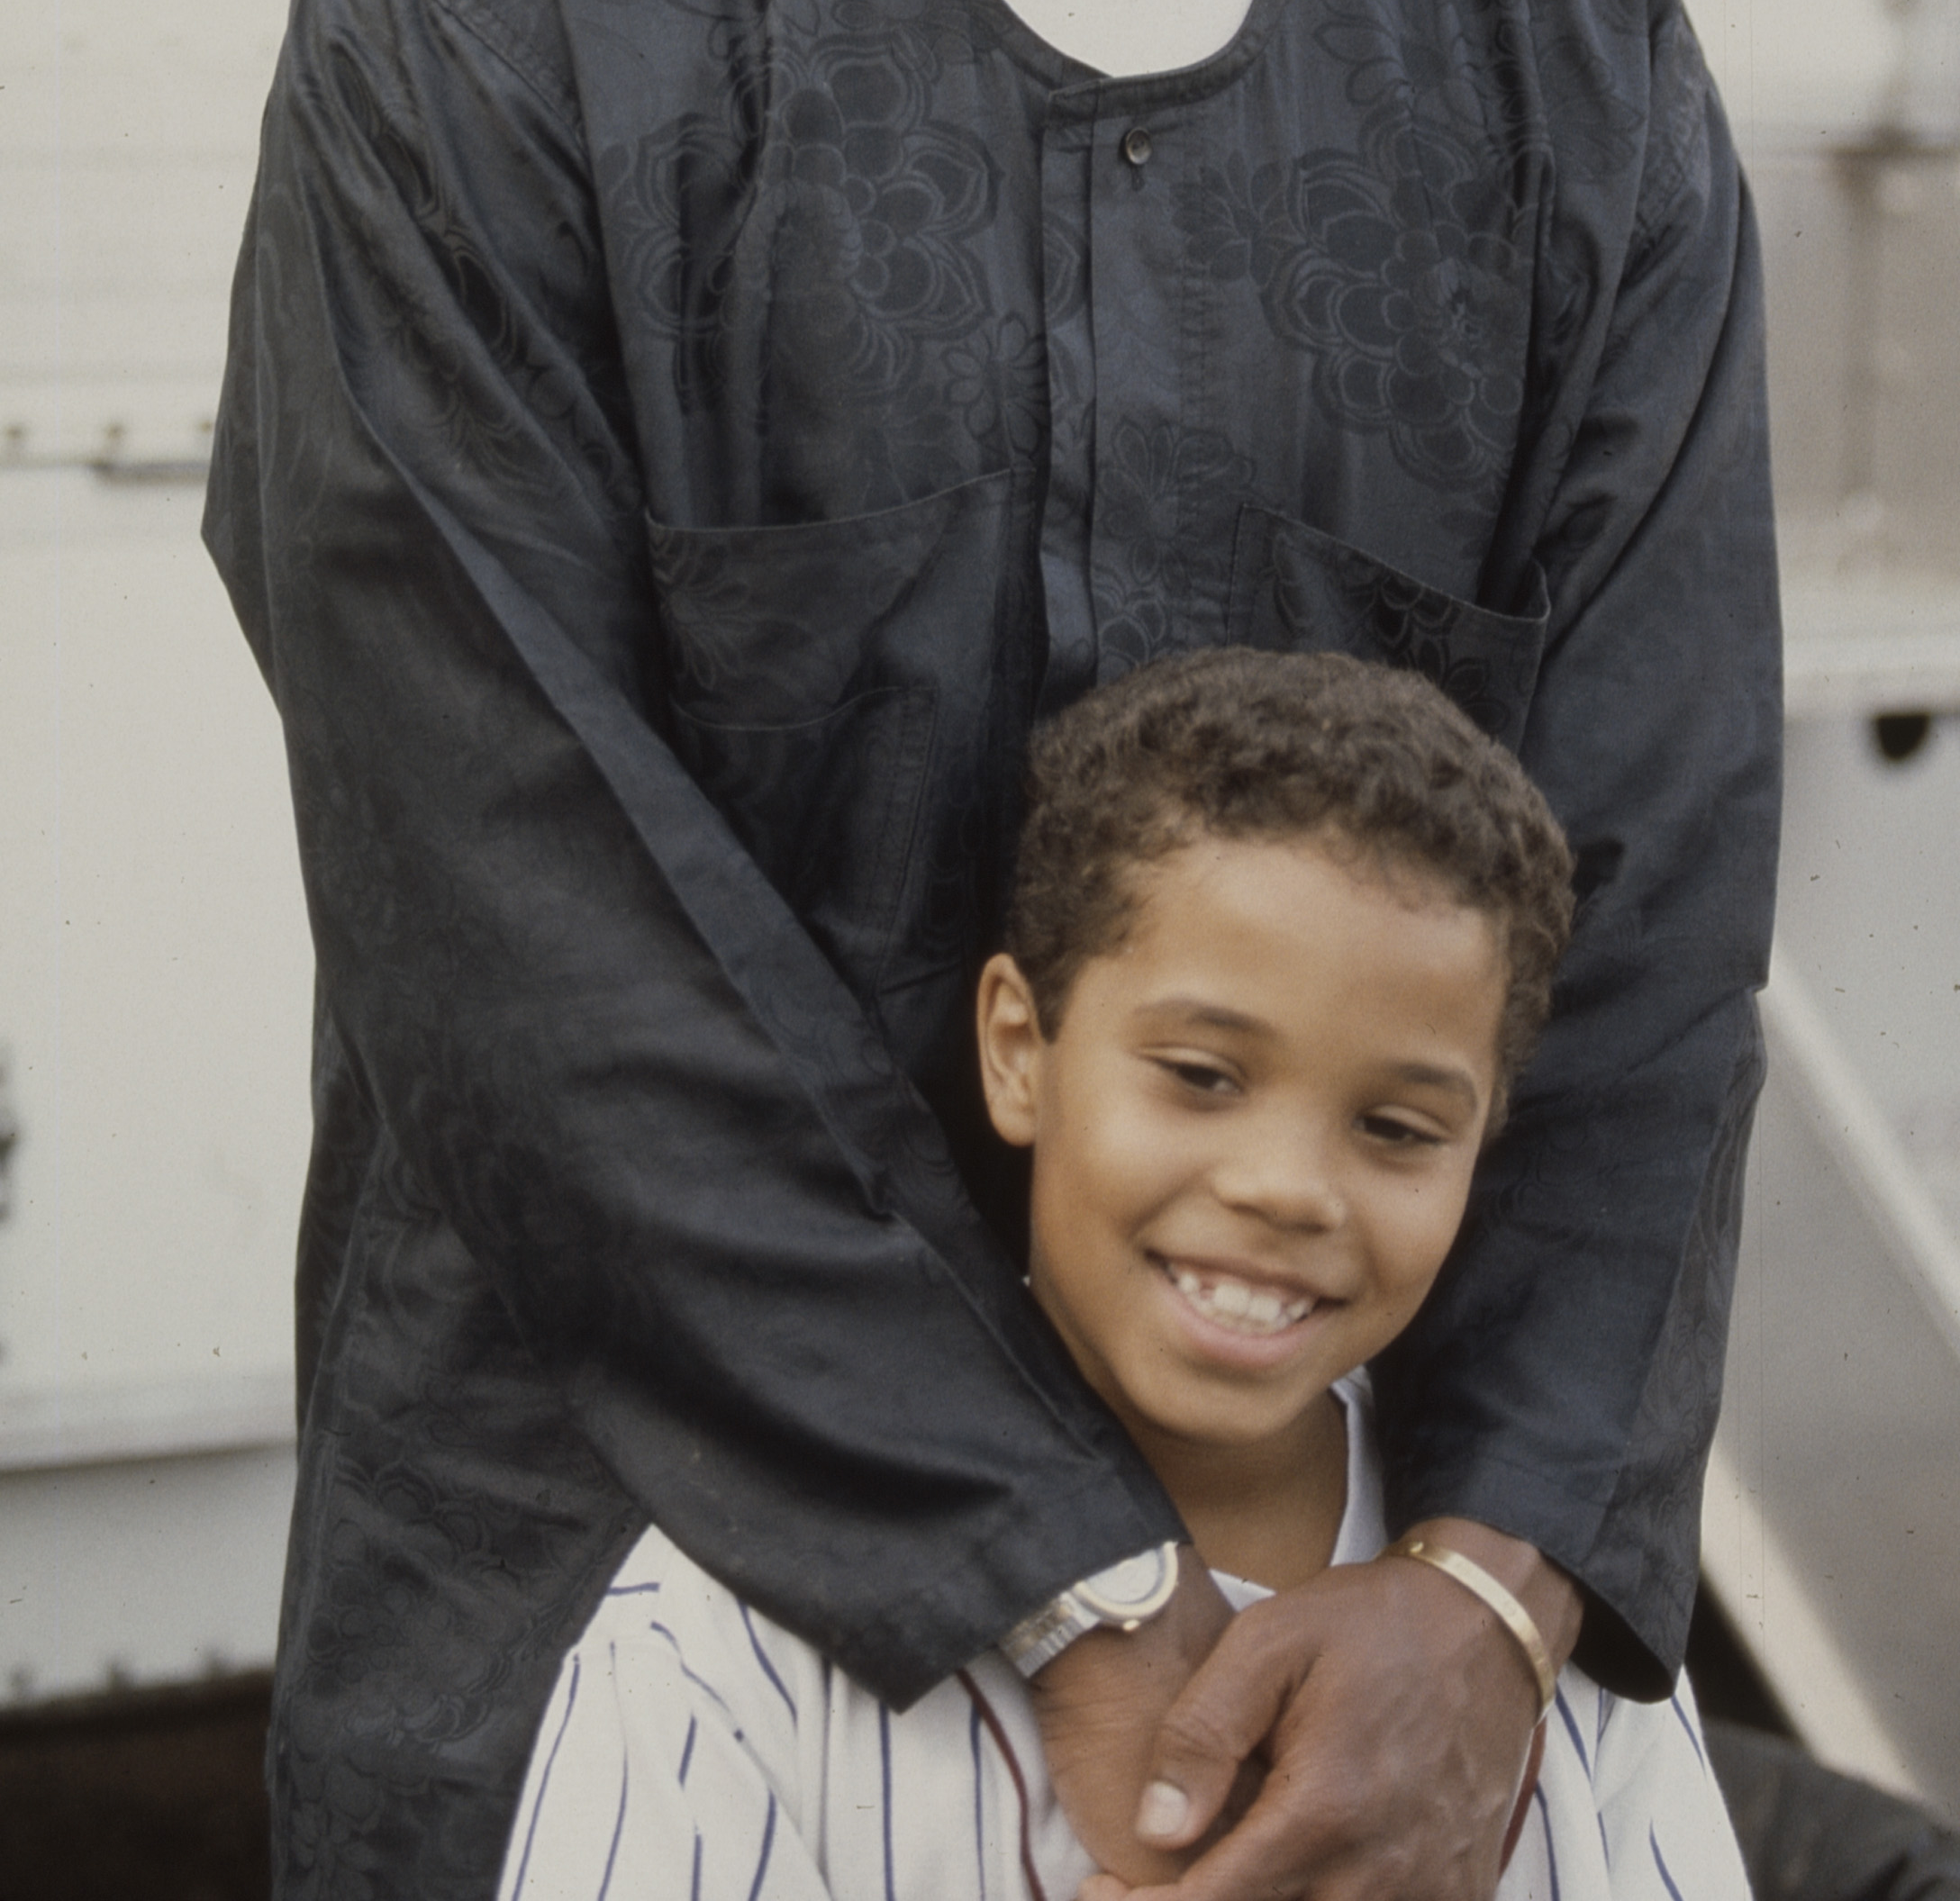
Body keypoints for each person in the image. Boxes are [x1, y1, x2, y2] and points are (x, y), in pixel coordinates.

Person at [203, 0, 1782, 1895]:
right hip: (619, 1690)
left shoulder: (1565, 72)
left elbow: (1649, 933)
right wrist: (1053, 1577)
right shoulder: (493, 20)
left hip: (1360, 1732)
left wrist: (1488, 1581)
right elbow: (519, 933)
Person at [493, 650, 1752, 1901]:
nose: (1287, 1188)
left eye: (1398, 1130)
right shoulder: (723, 1631)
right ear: (1018, 1050)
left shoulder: (1526, 1640)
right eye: (1202, 1076)